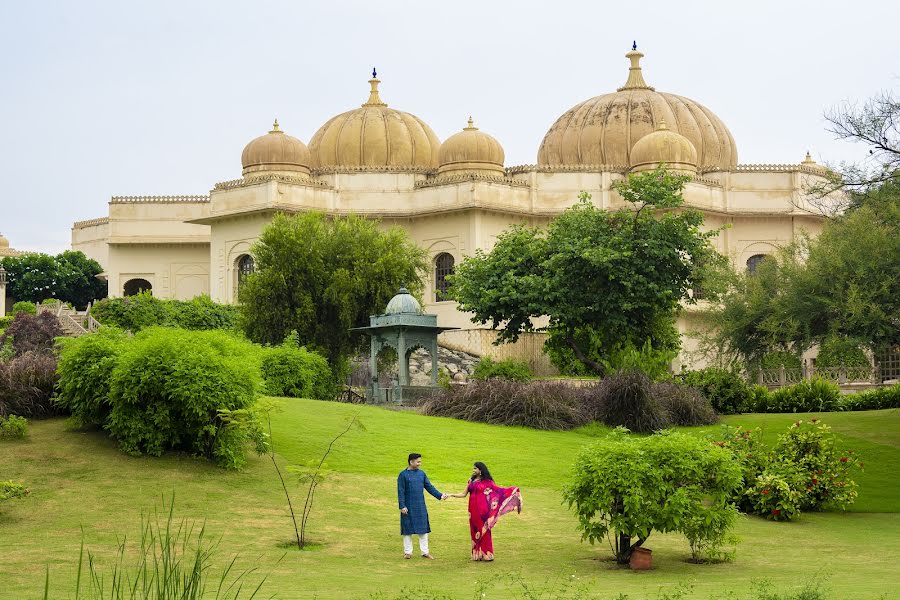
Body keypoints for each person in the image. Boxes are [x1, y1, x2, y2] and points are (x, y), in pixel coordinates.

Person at [446, 461, 522, 561]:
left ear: (480, 470)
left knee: (484, 530)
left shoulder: (488, 482)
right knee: (474, 530)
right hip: (472, 511)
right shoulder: (471, 481)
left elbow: (499, 491)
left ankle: (487, 554)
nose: (473, 470)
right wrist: (451, 494)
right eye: (473, 468)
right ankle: (477, 554)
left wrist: (513, 492)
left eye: (475, 468)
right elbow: (464, 494)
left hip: (483, 510)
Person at [397, 452, 447, 559]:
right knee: (407, 530)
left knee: (423, 530)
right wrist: (402, 506)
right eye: (418, 461)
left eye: (420, 461)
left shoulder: (421, 474)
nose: (420, 463)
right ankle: (408, 552)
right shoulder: (403, 475)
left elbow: (429, 487)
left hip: (420, 506)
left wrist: (440, 495)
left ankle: (425, 552)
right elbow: (400, 491)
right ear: (411, 462)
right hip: (408, 507)